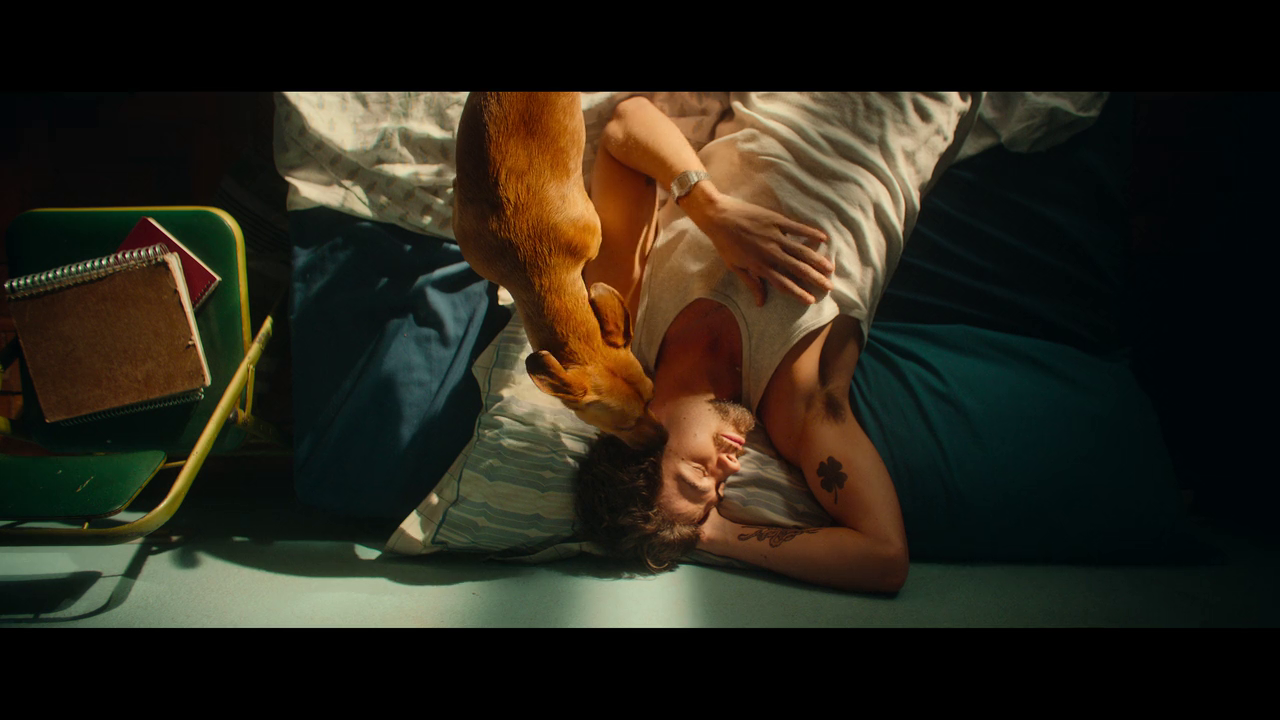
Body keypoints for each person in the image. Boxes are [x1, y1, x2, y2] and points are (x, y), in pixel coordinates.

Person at [574, 92, 982, 594]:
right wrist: (717, 536)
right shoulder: (795, 403)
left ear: (643, 428)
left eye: (698, 472)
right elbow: (884, 558)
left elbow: (626, 124)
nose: (731, 467)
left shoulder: (628, 317)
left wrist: (712, 210)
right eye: (720, 488)